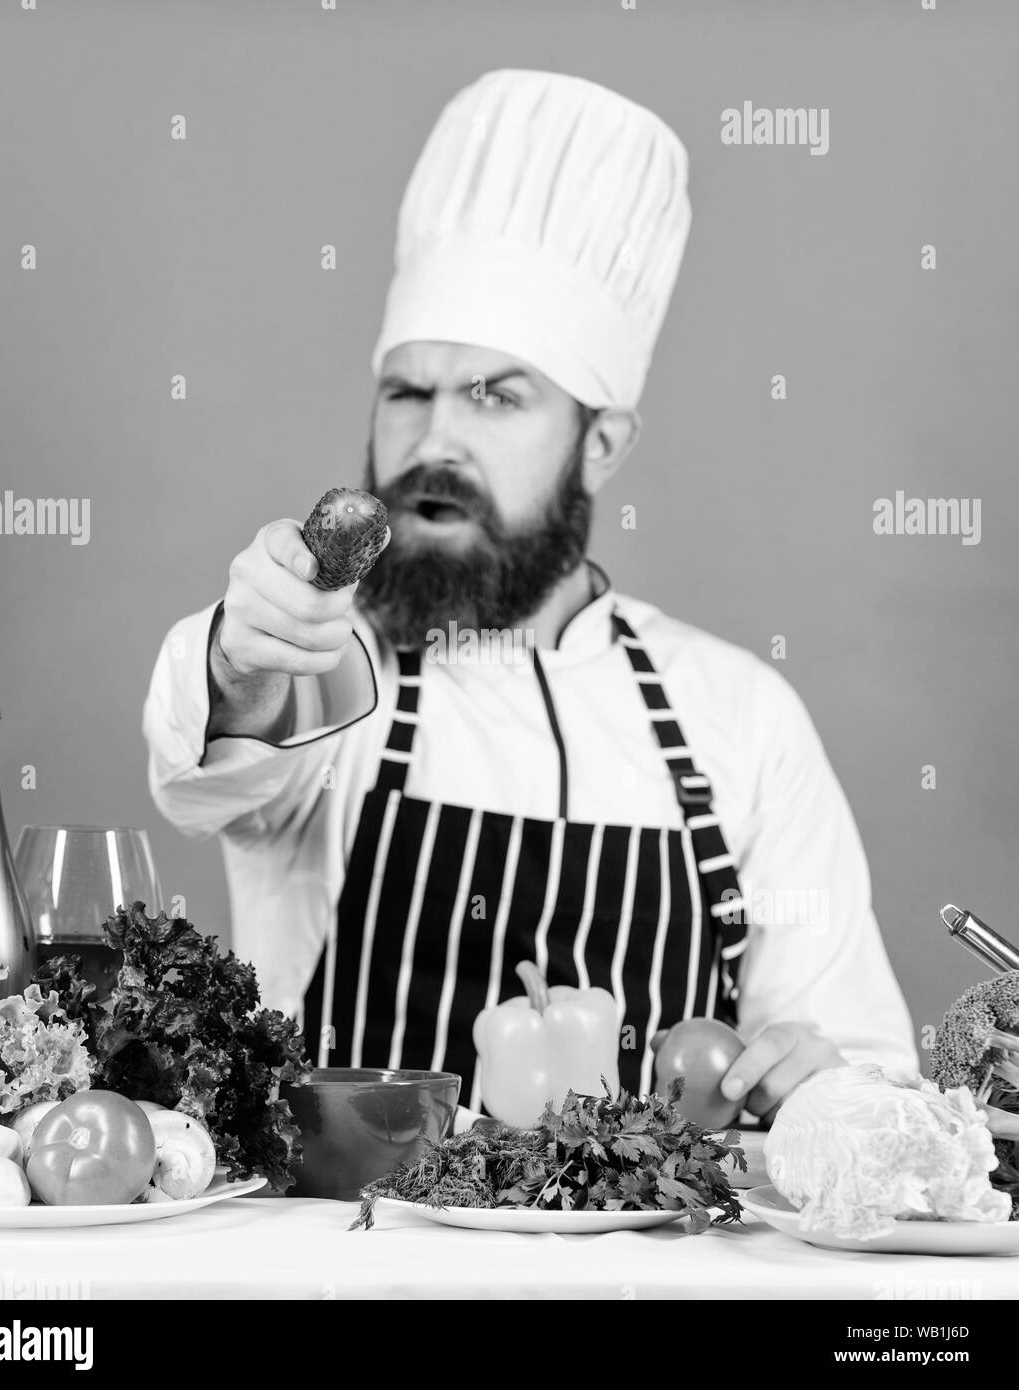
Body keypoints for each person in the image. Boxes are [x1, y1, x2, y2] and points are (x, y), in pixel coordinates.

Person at [143, 69, 918, 1122]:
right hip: (346, 1268)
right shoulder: (331, 665)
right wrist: (241, 651)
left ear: (602, 443)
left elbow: (864, 1070)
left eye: (495, 397)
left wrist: (820, 1084)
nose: (434, 441)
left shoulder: (741, 718)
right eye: (406, 391)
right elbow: (213, 770)